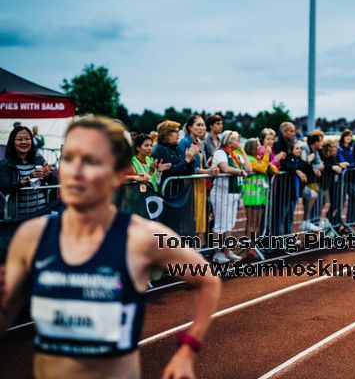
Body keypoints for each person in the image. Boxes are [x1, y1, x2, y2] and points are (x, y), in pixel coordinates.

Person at [0, 116, 221, 379]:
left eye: (91, 161)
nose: (76, 171)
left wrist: (187, 351)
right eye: (69, 158)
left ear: (117, 174)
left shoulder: (145, 236)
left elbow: (208, 280)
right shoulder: (32, 236)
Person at [210, 130, 252, 263]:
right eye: (235, 139)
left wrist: (243, 152)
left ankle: (227, 250)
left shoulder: (234, 154)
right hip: (222, 192)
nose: (238, 142)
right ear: (228, 142)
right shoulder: (220, 152)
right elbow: (225, 168)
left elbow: (249, 168)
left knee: (229, 224)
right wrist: (240, 171)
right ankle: (217, 252)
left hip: (232, 193)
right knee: (220, 225)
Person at [0, 126, 57, 218]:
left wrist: (48, 175)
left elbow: (54, 182)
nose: (24, 142)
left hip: (42, 213)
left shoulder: (38, 159)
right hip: (19, 217)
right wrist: (25, 180)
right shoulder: (5, 164)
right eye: (19, 139)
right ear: (12, 142)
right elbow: (4, 188)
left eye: (27, 139)